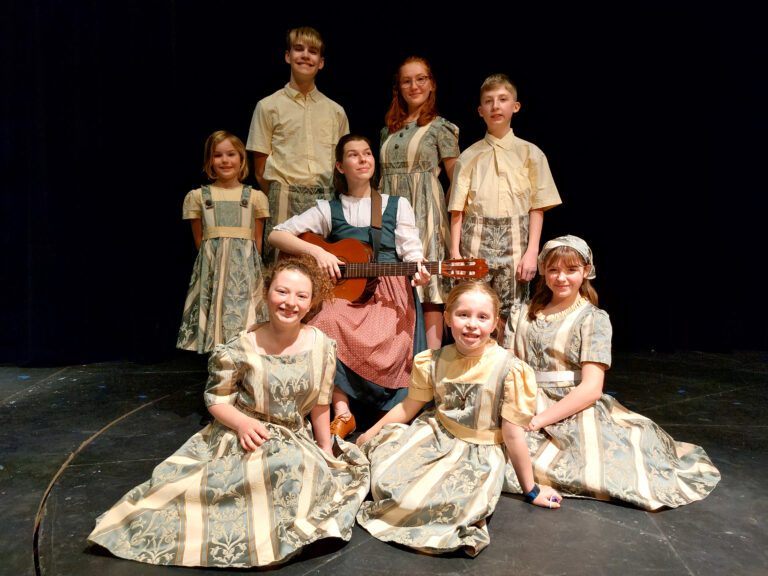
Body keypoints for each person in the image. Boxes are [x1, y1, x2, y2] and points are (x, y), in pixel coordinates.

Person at [88, 255, 370, 568]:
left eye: (301, 296)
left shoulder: (321, 344)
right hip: (245, 433)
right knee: (214, 493)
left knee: (296, 469)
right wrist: (242, 423)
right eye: (282, 292)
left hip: (293, 437)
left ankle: (272, 538)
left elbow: (320, 403)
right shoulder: (240, 347)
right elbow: (217, 399)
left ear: (312, 302)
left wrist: (326, 450)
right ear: (267, 293)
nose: (290, 302)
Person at [502, 235, 722, 510]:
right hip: (522, 399)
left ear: (585, 271)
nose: (561, 278)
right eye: (554, 270)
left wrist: (538, 421)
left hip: (569, 406)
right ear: (543, 270)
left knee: (598, 465)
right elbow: (507, 366)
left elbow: (591, 388)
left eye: (571, 270)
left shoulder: (592, 319)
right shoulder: (521, 313)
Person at [354, 281, 561, 557]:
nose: (472, 324)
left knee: (450, 504)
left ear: (494, 324)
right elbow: (409, 406)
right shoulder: (433, 359)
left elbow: (513, 434)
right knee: (387, 479)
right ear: (448, 318)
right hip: (437, 435)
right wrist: (371, 433)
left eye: (482, 317)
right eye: (463, 314)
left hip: (480, 450)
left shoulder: (510, 369)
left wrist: (531, 489)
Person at [268, 133, 430, 440]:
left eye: (367, 153)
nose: (363, 159)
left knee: (386, 333)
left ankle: (384, 409)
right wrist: (319, 252)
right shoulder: (329, 209)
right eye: (354, 155)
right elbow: (277, 235)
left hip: (388, 290)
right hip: (347, 292)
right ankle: (342, 411)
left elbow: (412, 251)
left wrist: (419, 271)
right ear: (341, 166)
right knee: (325, 319)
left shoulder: (396, 204)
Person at [447, 73, 561, 336]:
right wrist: (455, 252)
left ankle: (508, 368)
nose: (495, 106)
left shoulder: (530, 153)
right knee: (474, 304)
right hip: (476, 239)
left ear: (515, 106)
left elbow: (537, 206)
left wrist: (532, 251)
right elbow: (457, 210)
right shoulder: (469, 156)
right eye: (488, 101)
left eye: (502, 100)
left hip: (515, 241)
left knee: (513, 310)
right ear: (480, 110)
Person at [246, 26, 349, 265]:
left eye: (312, 51)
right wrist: (279, 196)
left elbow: (343, 163)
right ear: (287, 56)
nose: (305, 55)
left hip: (324, 198)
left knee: (322, 269)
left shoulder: (335, 111)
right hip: (284, 196)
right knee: (281, 268)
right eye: (298, 49)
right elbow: (260, 169)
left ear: (321, 62)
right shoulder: (268, 106)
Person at [379, 55, 460, 350]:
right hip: (389, 210)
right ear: (398, 87)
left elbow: (457, 181)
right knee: (392, 281)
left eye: (420, 79)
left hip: (425, 211)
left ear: (432, 84)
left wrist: (445, 221)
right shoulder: (387, 130)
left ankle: (432, 366)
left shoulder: (442, 128)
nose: (414, 85)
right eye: (407, 80)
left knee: (430, 288)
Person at [176, 130, 269, 354]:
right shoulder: (198, 196)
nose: (225, 160)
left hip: (245, 270)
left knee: (244, 312)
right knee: (216, 311)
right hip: (213, 268)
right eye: (218, 155)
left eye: (231, 154)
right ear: (209, 160)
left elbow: (257, 243)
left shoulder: (255, 197)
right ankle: (219, 363)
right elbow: (200, 241)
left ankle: (244, 362)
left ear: (241, 159)